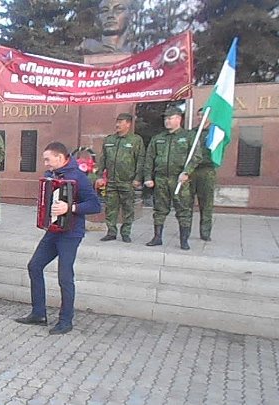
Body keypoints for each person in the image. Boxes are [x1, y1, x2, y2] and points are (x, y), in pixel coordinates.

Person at [15, 142, 101, 335]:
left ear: (60, 158)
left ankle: (66, 320)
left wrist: (70, 208)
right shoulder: (51, 176)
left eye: (48, 159)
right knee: (34, 266)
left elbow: (95, 205)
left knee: (65, 276)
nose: (45, 163)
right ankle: (38, 314)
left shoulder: (78, 177)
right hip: (54, 230)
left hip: (71, 233)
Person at [143, 106, 201, 250]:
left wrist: (187, 172)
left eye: (170, 118)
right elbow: (149, 158)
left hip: (180, 180)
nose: (167, 121)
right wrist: (148, 177)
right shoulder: (158, 138)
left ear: (179, 119)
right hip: (161, 179)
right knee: (159, 209)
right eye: (165, 118)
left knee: (183, 210)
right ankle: (157, 237)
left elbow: (196, 156)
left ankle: (184, 240)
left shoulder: (189, 137)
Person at [95, 113, 145, 243]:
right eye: (117, 122)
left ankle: (126, 232)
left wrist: (137, 178)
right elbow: (103, 159)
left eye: (121, 122)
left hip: (127, 181)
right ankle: (111, 232)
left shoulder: (135, 140)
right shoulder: (109, 140)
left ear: (128, 124)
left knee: (128, 208)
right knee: (110, 208)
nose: (117, 124)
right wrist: (100, 176)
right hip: (111, 181)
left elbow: (140, 160)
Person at [190, 108, 216, 241]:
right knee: (187, 202)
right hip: (191, 170)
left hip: (206, 170)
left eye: (203, 115)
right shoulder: (192, 133)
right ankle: (185, 230)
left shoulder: (214, 133)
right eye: (198, 115)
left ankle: (205, 232)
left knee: (206, 203)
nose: (200, 117)